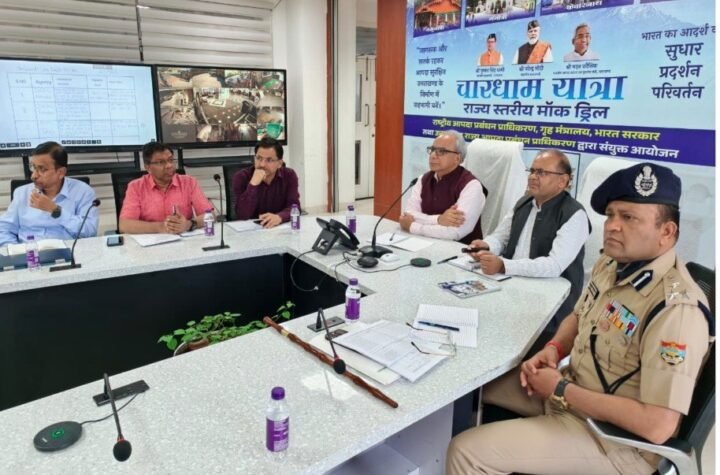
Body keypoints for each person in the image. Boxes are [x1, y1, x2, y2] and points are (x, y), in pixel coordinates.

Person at [447, 162, 712, 475]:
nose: (612, 226)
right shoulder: (613, 264)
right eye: (611, 215)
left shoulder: (676, 310)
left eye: (628, 217)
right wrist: (554, 349)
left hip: (612, 441)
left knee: (466, 452)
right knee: (467, 385)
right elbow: (579, 315)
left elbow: (658, 425)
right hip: (572, 392)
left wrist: (561, 389)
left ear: (666, 232)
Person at [469, 149, 589, 331]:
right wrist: (486, 246)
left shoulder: (574, 214)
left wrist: (503, 266)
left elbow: (554, 266)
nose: (533, 177)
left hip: (550, 306)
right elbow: (501, 237)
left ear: (562, 181)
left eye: (541, 172)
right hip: (510, 290)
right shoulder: (524, 203)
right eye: (532, 171)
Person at [0, 141, 98, 247]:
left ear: (61, 172)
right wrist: (15, 251)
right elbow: (4, 230)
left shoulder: (83, 192)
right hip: (29, 253)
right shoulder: (22, 193)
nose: (34, 175)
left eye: (42, 169)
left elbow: (89, 232)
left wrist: (55, 211)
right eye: (33, 167)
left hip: (67, 252)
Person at [399, 130, 486, 244]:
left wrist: (412, 227)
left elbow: (454, 232)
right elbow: (409, 214)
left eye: (441, 151)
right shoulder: (423, 179)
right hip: (421, 243)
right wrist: (439, 220)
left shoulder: (471, 185)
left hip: (459, 250)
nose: (433, 155)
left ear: (457, 158)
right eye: (432, 150)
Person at [119, 142, 214, 234]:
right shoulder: (136, 187)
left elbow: (211, 215)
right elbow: (125, 225)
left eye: (171, 160)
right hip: (151, 242)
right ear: (148, 167)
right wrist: (161, 227)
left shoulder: (189, 182)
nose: (169, 165)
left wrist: (189, 224)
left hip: (183, 240)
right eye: (161, 162)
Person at [232, 136, 300, 228]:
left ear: (279, 163)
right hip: (251, 230)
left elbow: (295, 207)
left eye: (269, 160)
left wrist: (280, 217)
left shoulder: (289, 175)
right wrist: (253, 184)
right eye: (259, 158)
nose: (262, 164)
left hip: (279, 228)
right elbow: (242, 215)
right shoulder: (241, 177)